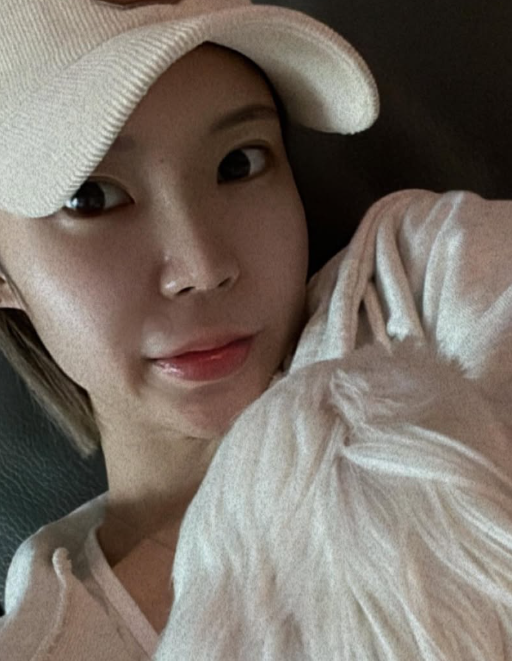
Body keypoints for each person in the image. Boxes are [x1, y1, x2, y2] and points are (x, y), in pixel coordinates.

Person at [0, 0, 511, 660]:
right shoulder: (48, 642)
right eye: (90, 197)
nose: (203, 267)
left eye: (239, 163)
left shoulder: (422, 279)